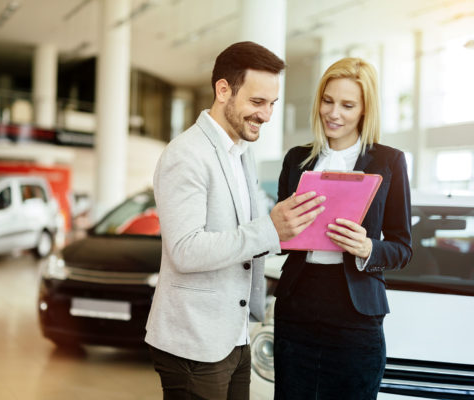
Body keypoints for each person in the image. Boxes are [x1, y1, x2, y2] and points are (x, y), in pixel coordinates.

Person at [145, 41, 326, 400]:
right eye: (257, 102)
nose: (267, 115)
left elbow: (250, 236)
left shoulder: (242, 153)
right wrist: (270, 228)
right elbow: (185, 250)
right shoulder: (186, 155)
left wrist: (294, 227)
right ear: (223, 90)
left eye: (272, 103)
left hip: (234, 336)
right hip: (194, 343)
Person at [274, 57, 413, 399]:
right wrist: (281, 227)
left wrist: (368, 248)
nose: (334, 113)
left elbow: (402, 248)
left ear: (365, 110)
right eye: (327, 100)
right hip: (297, 306)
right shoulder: (296, 159)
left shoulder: (389, 161)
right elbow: (278, 236)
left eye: (347, 105)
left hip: (356, 312)